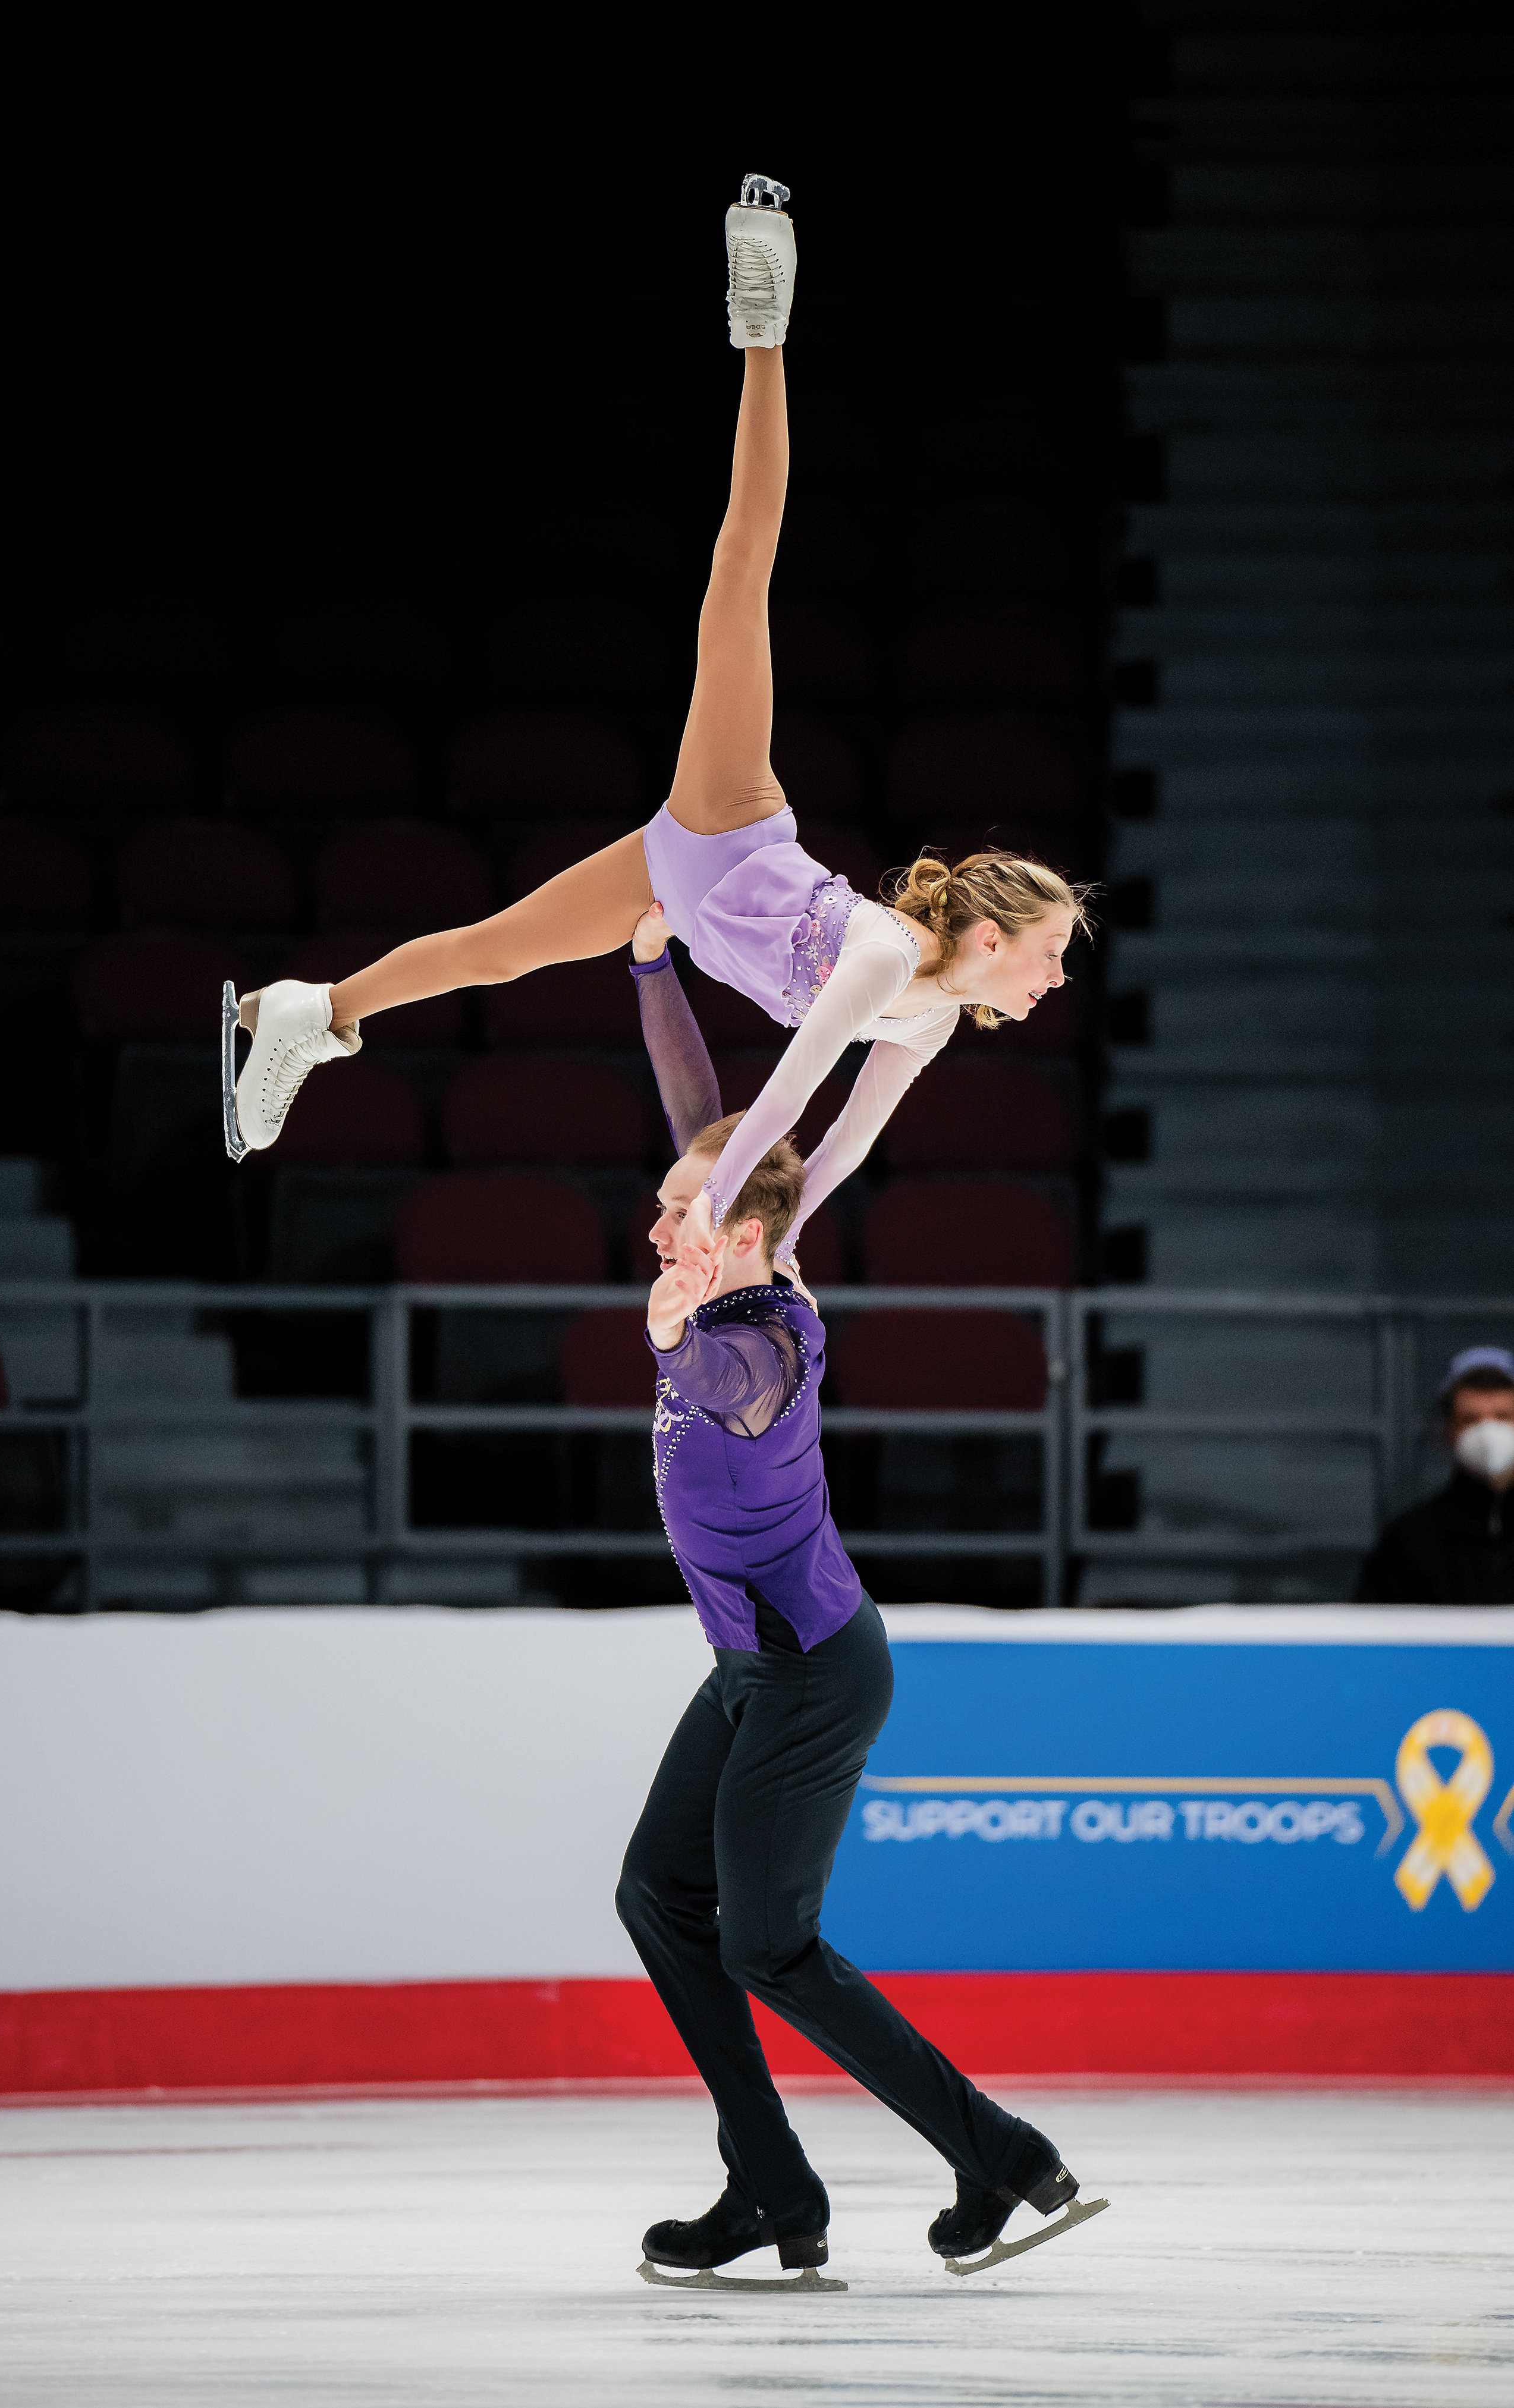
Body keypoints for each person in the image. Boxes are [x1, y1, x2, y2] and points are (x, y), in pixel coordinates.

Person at [224, 170, 1091, 1269]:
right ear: (987, 936)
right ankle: (763, 325)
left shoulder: (923, 1021)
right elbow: (787, 1096)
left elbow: (842, 1152)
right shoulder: (881, 958)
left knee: (493, 957)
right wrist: (711, 1217)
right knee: (742, 570)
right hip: (727, 831)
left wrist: (776, 1245)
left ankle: (309, 1012)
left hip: (670, 893)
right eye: (1051, 954)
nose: (1055, 981)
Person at [617, 903, 1095, 2286]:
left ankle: (1000, 2153)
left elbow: (727, 1391)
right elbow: (709, 1108)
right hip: (758, 1665)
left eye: (679, 1215)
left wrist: (665, 1351)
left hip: (816, 1668)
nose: (658, 1227)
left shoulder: (757, 1337)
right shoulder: (744, 1247)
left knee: (768, 1943)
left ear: (746, 1230)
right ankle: (768, 2184)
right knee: (658, 1890)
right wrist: (652, 964)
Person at [1355, 1348, 1514, 1604]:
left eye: (1503, 1417)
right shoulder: (1411, 1539)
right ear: (1448, 1431)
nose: (1488, 1433)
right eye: (1471, 1420)